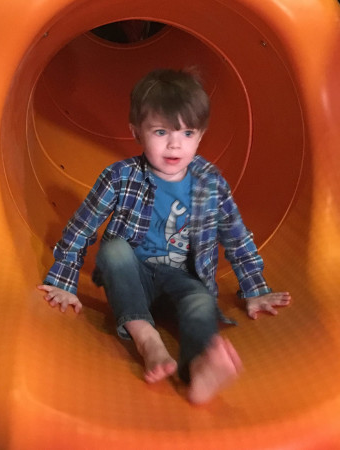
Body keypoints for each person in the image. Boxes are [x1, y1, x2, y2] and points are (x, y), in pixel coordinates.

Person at [37, 68, 291, 405]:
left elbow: (235, 234)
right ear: (137, 132)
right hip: (133, 278)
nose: (175, 144)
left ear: (201, 136)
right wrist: (63, 281)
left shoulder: (210, 182)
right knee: (113, 251)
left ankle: (199, 368)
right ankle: (149, 343)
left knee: (200, 300)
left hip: (180, 279)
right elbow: (82, 227)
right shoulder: (120, 177)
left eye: (187, 132)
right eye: (161, 131)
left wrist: (255, 289)